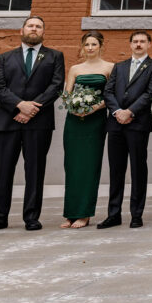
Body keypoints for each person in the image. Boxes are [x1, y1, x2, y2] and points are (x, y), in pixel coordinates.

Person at [0, 16, 65, 233]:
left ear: (43, 31)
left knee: (35, 171)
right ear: (22, 30)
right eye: (30, 25)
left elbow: (56, 87)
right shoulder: (5, 58)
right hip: (7, 122)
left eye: (38, 26)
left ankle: (31, 217)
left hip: (39, 122)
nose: (34, 29)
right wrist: (19, 106)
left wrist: (32, 109)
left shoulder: (55, 56)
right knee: (4, 171)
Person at [97, 30, 152, 229]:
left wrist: (130, 112)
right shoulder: (119, 66)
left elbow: (150, 94)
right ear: (130, 44)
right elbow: (108, 91)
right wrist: (117, 111)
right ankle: (114, 214)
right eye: (135, 41)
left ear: (149, 44)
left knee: (137, 168)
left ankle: (136, 214)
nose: (139, 44)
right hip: (115, 123)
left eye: (143, 41)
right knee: (116, 170)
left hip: (138, 124)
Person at [60, 31, 113, 229]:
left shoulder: (109, 67)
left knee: (89, 167)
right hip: (74, 122)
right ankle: (70, 213)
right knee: (72, 167)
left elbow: (111, 95)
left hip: (95, 121)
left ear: (101, 46)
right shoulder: (74, 68)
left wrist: (93, 108)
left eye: (94, 44)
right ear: (82, 47)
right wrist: (74, 107)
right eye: (87, 45)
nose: (90, 48)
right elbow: (67, 94)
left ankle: (84, 214)